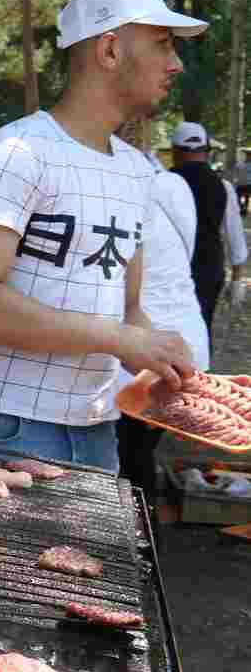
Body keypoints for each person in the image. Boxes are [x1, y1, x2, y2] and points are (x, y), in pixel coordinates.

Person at [0, 0, 204, 470]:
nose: (176, 64)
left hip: (96, 430)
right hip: (4, 428)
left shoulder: (134, 169)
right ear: (109, 50)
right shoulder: (17, 152)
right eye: (162, 44)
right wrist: (123, 339)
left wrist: (162, 361)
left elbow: (127, 309)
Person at [119, 161, 214, 491]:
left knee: (128, 462)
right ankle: (147, 534)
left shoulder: (117, 198)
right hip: (185, 340)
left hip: (144, 353)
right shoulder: (174, 187)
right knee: (138, 456)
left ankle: (141, 538)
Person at [168, 121, 248, 332]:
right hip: (208, 270)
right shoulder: (223, 187)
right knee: (201, 330)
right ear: (207, 151)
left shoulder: (160, 183)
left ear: (175, 151)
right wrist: (238, 277)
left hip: (168, 271)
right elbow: (235, 235)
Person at [232, 148, 251, 215]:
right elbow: (235, 174)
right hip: (240, 184)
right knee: (238, 197)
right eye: (247, 155)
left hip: (249, 184)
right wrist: (235, 181)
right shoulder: (239, 164)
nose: (248, 157)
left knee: (247, 197)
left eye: (249, 155)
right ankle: (242, 207)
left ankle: (244, 209)